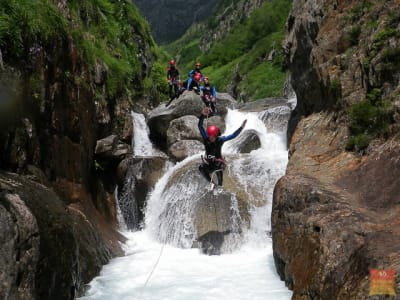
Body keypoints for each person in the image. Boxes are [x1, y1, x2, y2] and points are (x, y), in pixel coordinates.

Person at [198, 107, 247, 187]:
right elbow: (200, 126)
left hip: (218, 163)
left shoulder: (221, 140)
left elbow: (233, 135)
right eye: (210, 136)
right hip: (209, 162)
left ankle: (219, 186)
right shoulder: (206, 138)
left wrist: (241, 128)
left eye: (213, 137)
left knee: (220, 179)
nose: (211, 138)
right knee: (201, 168)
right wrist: (202, 115)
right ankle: (212, 183)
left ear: (216, 136)